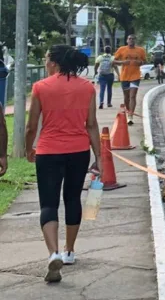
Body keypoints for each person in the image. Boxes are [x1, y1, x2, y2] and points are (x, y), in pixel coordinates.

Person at [24, 45, 101, 283]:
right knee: (72, 198)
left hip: (48, 151)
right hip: (78, 151)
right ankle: (69, 251)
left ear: (54, 62)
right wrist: (99, 157)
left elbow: (31, 125)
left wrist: (29, 149)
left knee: (48, 202)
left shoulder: (40, 87)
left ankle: (53, 253)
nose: (45, 62)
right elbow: (91, 125)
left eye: (46, 58)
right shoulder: (87, 88)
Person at [113, 35, 147, 114]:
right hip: (124, 77)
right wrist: (123, 62)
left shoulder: (141, 50)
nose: (131, 40)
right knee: (126, 97)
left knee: (132, 96)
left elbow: (145, 61)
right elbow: (114, 61)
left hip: (135, 76)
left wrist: (140, 62)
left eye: (133, 39)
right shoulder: (121, 49)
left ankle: (131, 114)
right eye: (129, 39)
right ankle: (128, 110)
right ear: (127, 41)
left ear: (135, 41)